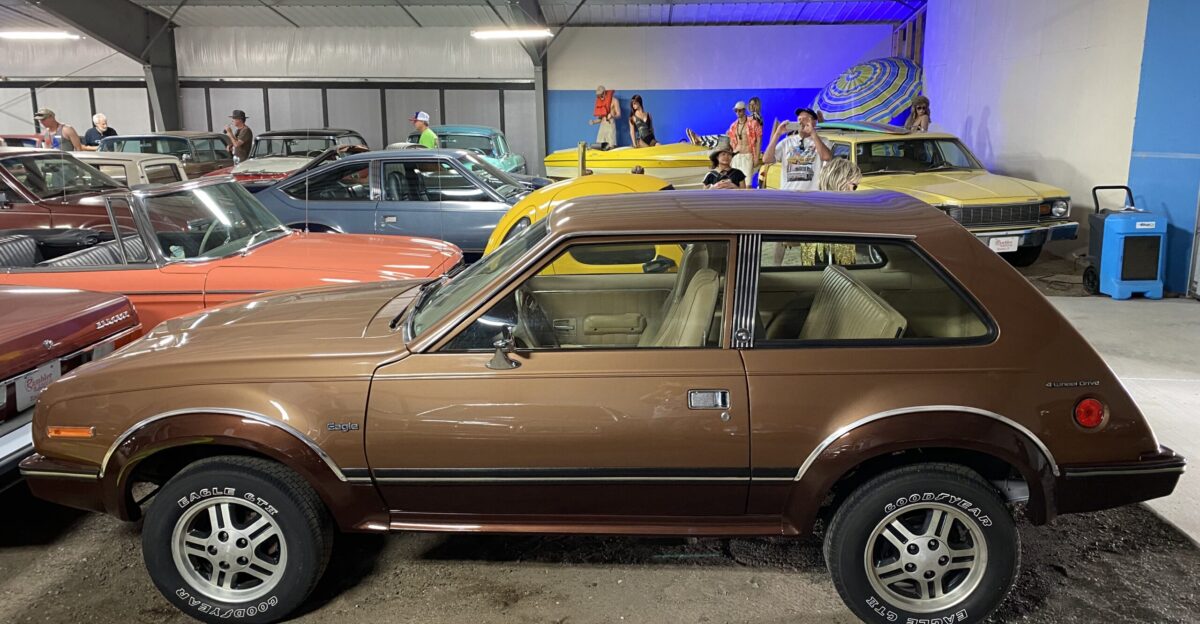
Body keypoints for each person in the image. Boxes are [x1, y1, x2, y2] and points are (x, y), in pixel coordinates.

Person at [763, 107, 832, 191]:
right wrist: (777, 134)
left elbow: (826, 157)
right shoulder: (787, 142)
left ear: (814, 122)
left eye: (805, 119)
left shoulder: (823, 141)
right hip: (788, 195)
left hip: (811, 196)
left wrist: (813, 133)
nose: (801, 122)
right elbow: (766, 159)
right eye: (799, 119)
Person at [726, 101, 761, 181]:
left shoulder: (753, 123)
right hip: (736, 157)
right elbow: (731, 143)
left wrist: (756, 158)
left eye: (740, 110)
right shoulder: (733, 126)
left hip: (748, 155)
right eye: (736, 111)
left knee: (747, 184)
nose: (737, 112)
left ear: (744, 110)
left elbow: (759, 140)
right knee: (735, 184)